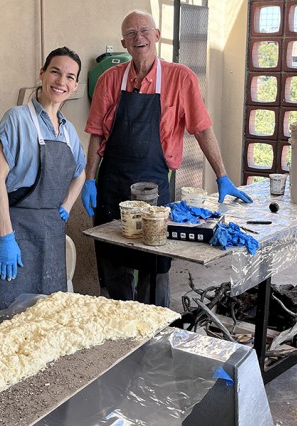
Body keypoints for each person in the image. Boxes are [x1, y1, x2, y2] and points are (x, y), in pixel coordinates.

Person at [81, 10, 251, 308]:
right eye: (131, 34)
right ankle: (120, 324)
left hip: (153, 186)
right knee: (112, 258)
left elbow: (201, 129)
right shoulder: (109, 80)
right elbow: (96, 133)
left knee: (154, 261)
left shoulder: (180, 77)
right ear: (124, 42)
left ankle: (156, 327)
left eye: (145, 31)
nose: (139, 38)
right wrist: (89, 179)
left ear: (157, 35)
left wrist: (222, 176)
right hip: (111, 183)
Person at [0, 46, 86, 312]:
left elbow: (81, 172)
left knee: (46, 313)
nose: (61, 81)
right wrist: (6, 238)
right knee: (5, 311)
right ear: (42, 74)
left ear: (75, 86)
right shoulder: (16, 119)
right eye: (55, 72)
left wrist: (66, 205)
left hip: (50, 234)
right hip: (15, 230)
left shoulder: (67, 131)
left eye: (70, 77)